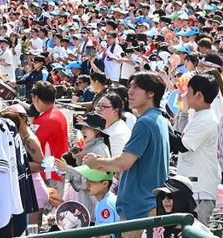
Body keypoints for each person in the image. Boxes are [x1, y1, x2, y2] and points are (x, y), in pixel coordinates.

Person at [83, 72, 170, 235]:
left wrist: (99, 163)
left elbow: (125, 162)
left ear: (151, 93)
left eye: (136, 87)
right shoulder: (157, 118)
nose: (130, 91)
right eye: (130, 87)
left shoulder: (145, 122)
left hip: (140, 208)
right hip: (148, 206)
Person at [170, 72, 221, 223]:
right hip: (195, 187)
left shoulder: (206, 119)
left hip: (200, 191)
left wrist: (158, 124)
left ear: (198, 94)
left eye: (189, 91)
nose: (185, 95)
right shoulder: (199, 115)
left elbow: (181, 145)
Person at [55, 113, 112, 221]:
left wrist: (67, 169)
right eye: (82, 128)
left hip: (94, 208)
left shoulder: (98, 149)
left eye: (87, 128)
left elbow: (87, 181)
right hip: (89, 205)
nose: (83, 131)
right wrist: (79, 160)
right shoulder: (93, 148)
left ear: (97, 131)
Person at [31, 81, 69, 191]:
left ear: (36, 98)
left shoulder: (44, 120)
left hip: (49, 175)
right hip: (57, 171)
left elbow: (30, 145)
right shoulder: (58, 113)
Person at [78, 166, 118, 238]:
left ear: (105, 184)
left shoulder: (106, 203)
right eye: (87, 179)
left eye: (92, 180)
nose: (87, 184)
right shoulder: (104, 200)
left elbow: (105, 236)